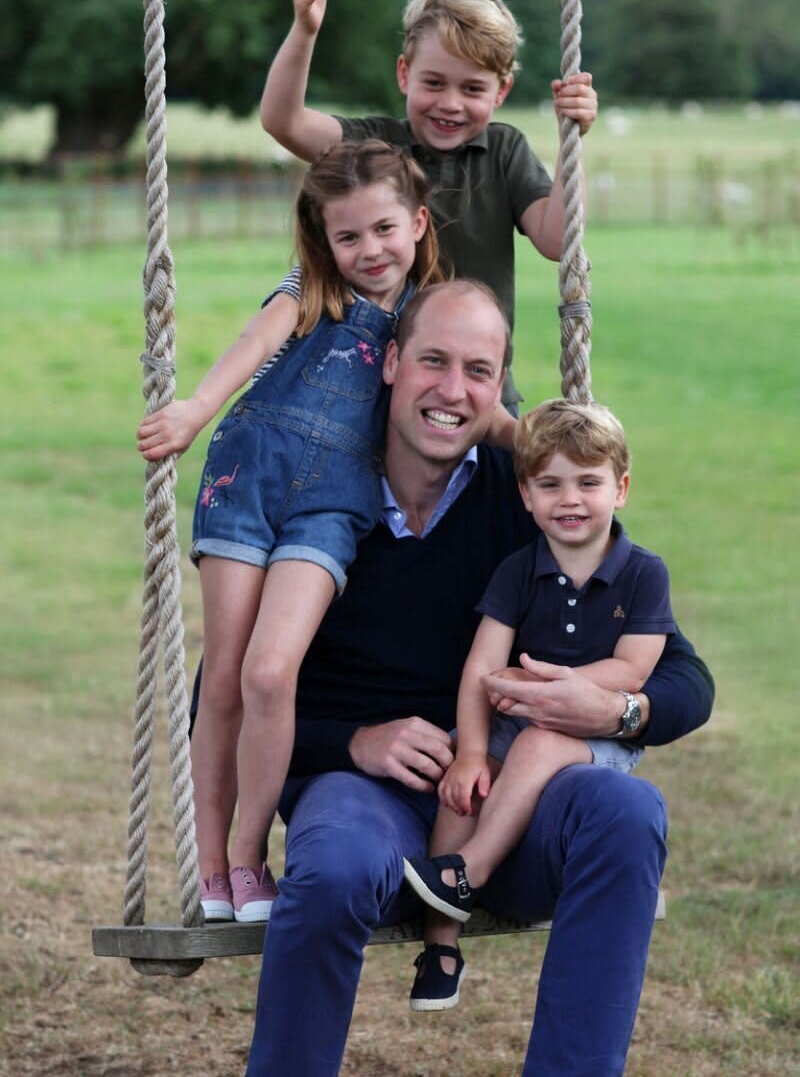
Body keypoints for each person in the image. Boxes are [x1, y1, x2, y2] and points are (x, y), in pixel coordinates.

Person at [242, 280, 714, 1077]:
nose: (452, 391)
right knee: (332, 868)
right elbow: (221, 702)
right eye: (433, 361)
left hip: (513, 801)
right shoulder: (316, 496)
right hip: (370, 797)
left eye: (478, 370)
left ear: (499, 390)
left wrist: (614, 709)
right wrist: (354, 741)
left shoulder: (526, 498)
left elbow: (684, 679)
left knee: (625, 810)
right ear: (390, 363)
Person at [137, 140, 450, 924]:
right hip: (248, 477)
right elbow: (254, 345)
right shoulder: (312, 287)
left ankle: (249, 856)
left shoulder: (427, 314)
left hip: (334, 503)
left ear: (416, 222)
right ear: (325, 241)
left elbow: (463, 397)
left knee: (273, 674)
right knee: (226, 677)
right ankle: (212, 869)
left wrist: (541, 443)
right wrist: (194, 410)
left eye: (383, 230)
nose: (368, 251)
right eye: (348, 237)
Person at [402, 398, 676, 1011]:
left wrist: (557, 691)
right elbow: (481, 667)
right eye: (550, 484)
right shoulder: (518, 571)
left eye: (588, 482)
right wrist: (471, 753)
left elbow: (634, 668)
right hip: (516, 715)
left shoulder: (643, 575)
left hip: (596, 731)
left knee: (539, 741)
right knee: (461, 785)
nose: (570, 499)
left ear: (621, 488)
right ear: (526, 495)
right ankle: (441, 943)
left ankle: (468, 869)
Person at [259, 0, 598, 410]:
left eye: (473, 89)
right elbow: (285, 121)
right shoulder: (375, 146)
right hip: (377, 397)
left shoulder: (504, 151)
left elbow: (558, 240)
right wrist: (305, 29)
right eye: (434, 83)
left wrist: (570, 141)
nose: (451, 104)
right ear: (404, 74)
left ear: (501, 92)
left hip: (479, 394)